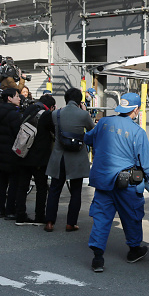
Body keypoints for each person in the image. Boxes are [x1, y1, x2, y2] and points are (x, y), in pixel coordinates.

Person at [85, 93, 149, 271]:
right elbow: (148, 162)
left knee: (101, 217)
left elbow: (87, 139)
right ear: (135, 110)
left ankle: (98, 258)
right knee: (132, 216)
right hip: (127, 183)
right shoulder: (137, 132)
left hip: (103, 180)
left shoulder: (104, 123)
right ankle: (134, 250)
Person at [44, 87, 95, 232]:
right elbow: (93, 131)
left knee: (54, 190)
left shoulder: (56, 114)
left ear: (66, 99)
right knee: (76, 191)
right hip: (76, 157)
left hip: (59, 157)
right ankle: (70, 223)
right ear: (79, 101)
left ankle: (49, 222)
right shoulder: (83, 115)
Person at [14, 94, 56, 226]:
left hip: (24, 154)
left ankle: (20, 216)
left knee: (22, 187)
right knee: (41, 188)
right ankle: (39, 217)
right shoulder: (47, 115)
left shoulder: (28, 110)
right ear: (51, 106)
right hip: (39, 158)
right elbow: (54, 131)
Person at [0, 87, 23, 219]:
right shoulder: (13, 114)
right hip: (12, 151)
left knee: (2, 181)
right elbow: (19, 134)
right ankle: (10, 210)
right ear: (9, 98)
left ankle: (0, 210)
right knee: (14, 182)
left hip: (1, 150)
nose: (19, 98)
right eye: (17, 96)